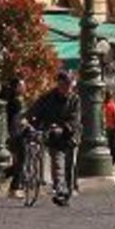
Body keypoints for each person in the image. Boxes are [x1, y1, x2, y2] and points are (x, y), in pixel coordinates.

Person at [30, 73, 79, 207]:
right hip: (53, 137)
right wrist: (31, 123)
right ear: (59, 84)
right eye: (65, 85)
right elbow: (34, 112)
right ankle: (60, 190)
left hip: (70, 136)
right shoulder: (47, 98)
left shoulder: (75, 99)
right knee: (58, 163)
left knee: (70, 166)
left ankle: (66, 192)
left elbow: (76, 118)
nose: (68, 89)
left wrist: (65, 128)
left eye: (70, 86)